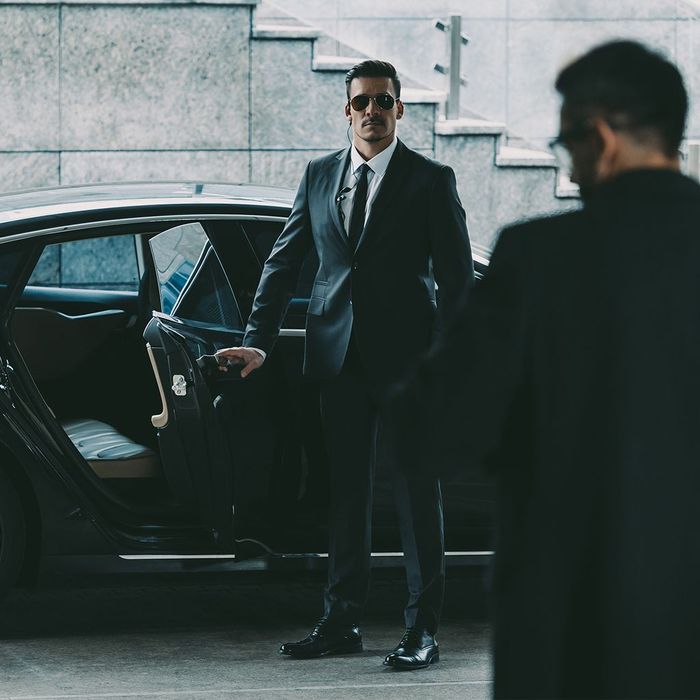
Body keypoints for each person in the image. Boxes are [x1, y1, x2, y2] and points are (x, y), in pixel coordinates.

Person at [389, 40, 700, 697]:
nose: (572, 172)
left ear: (603, 136)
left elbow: (428, 432)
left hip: (569, 640)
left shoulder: (538, 260)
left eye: (568, 145)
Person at [216, 59, 473, 668]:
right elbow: (283, 264)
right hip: (337, 361)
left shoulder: (431, 180)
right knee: (346, 498)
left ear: (400, 110)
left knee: (417, 497)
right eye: (362, 102)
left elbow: (458, 284)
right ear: (347, 110)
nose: (373, 112)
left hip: (411, 366)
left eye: (384, 101)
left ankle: (423, 631)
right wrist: (259, 339)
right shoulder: (318, 175)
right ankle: (341, 622)